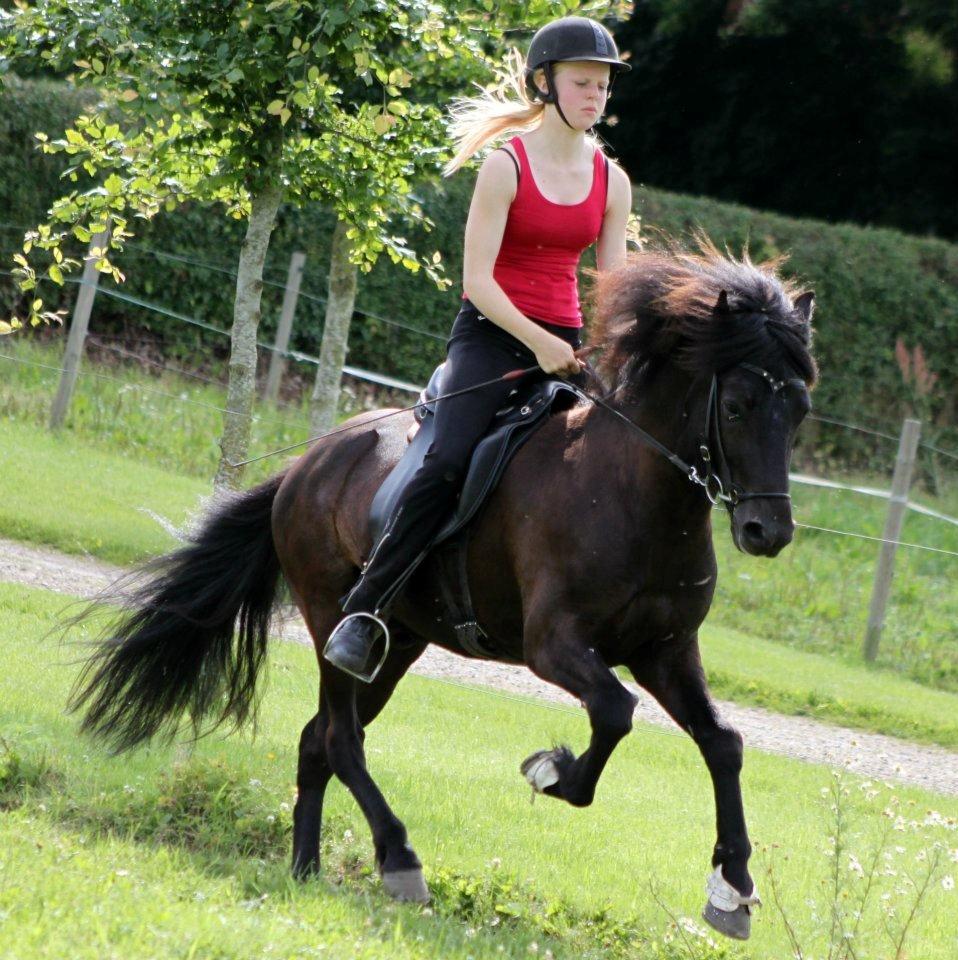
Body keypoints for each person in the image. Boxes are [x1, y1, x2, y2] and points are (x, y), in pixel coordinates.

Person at [324, 15, 633, 681]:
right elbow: (477, 282)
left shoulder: (612, 180)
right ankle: (365, 608)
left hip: (568, 348)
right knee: (446, 461)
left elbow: (613, 288)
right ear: (545, 83)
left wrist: (609, 351)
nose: (595, 97)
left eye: (604, 88)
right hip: (493, 340)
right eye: (583, 83)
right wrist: (538, 341)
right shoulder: (506, 166)